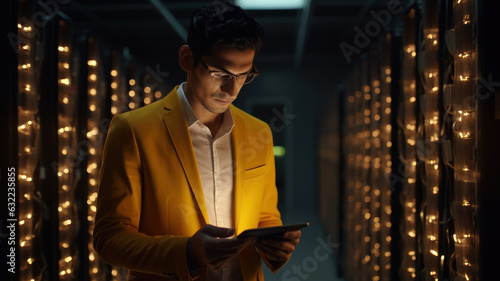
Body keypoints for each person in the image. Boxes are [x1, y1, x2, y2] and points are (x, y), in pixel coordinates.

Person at [93, 2, 301, 281]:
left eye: (244, 76)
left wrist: (276, 243)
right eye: (220, 74)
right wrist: (188, 252)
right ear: (187, 59)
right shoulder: (132, 130)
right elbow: (109, 239)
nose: (232, 90)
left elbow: (266, 217)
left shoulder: (259, 133)